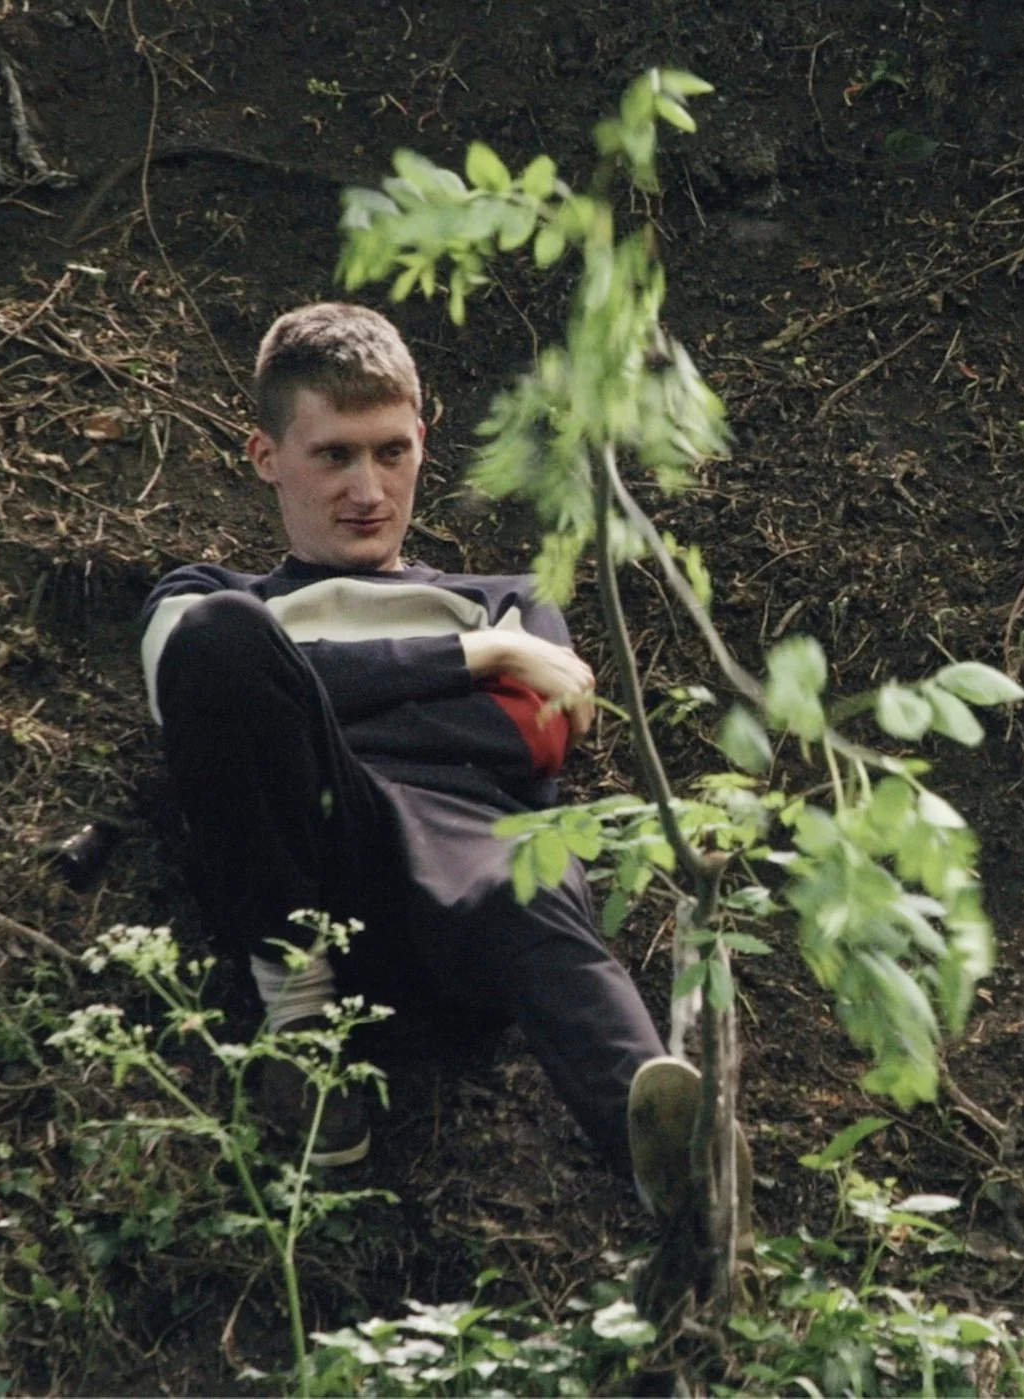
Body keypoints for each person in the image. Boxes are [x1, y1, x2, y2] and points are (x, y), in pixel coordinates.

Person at [136, 302, 698, 1216]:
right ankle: (303, 1035)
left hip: (479, 889)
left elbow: (537, 735)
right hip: (316, 866)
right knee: (225, 643)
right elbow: (188, 697)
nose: (368, 488)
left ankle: (677, 1169)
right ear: (265, 455)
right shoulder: (211, 603)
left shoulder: (507, 598)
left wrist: (318, 704)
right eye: (335, 455)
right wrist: (471, 665)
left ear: (423, 443)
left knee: (534, 874)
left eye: (391, 452)